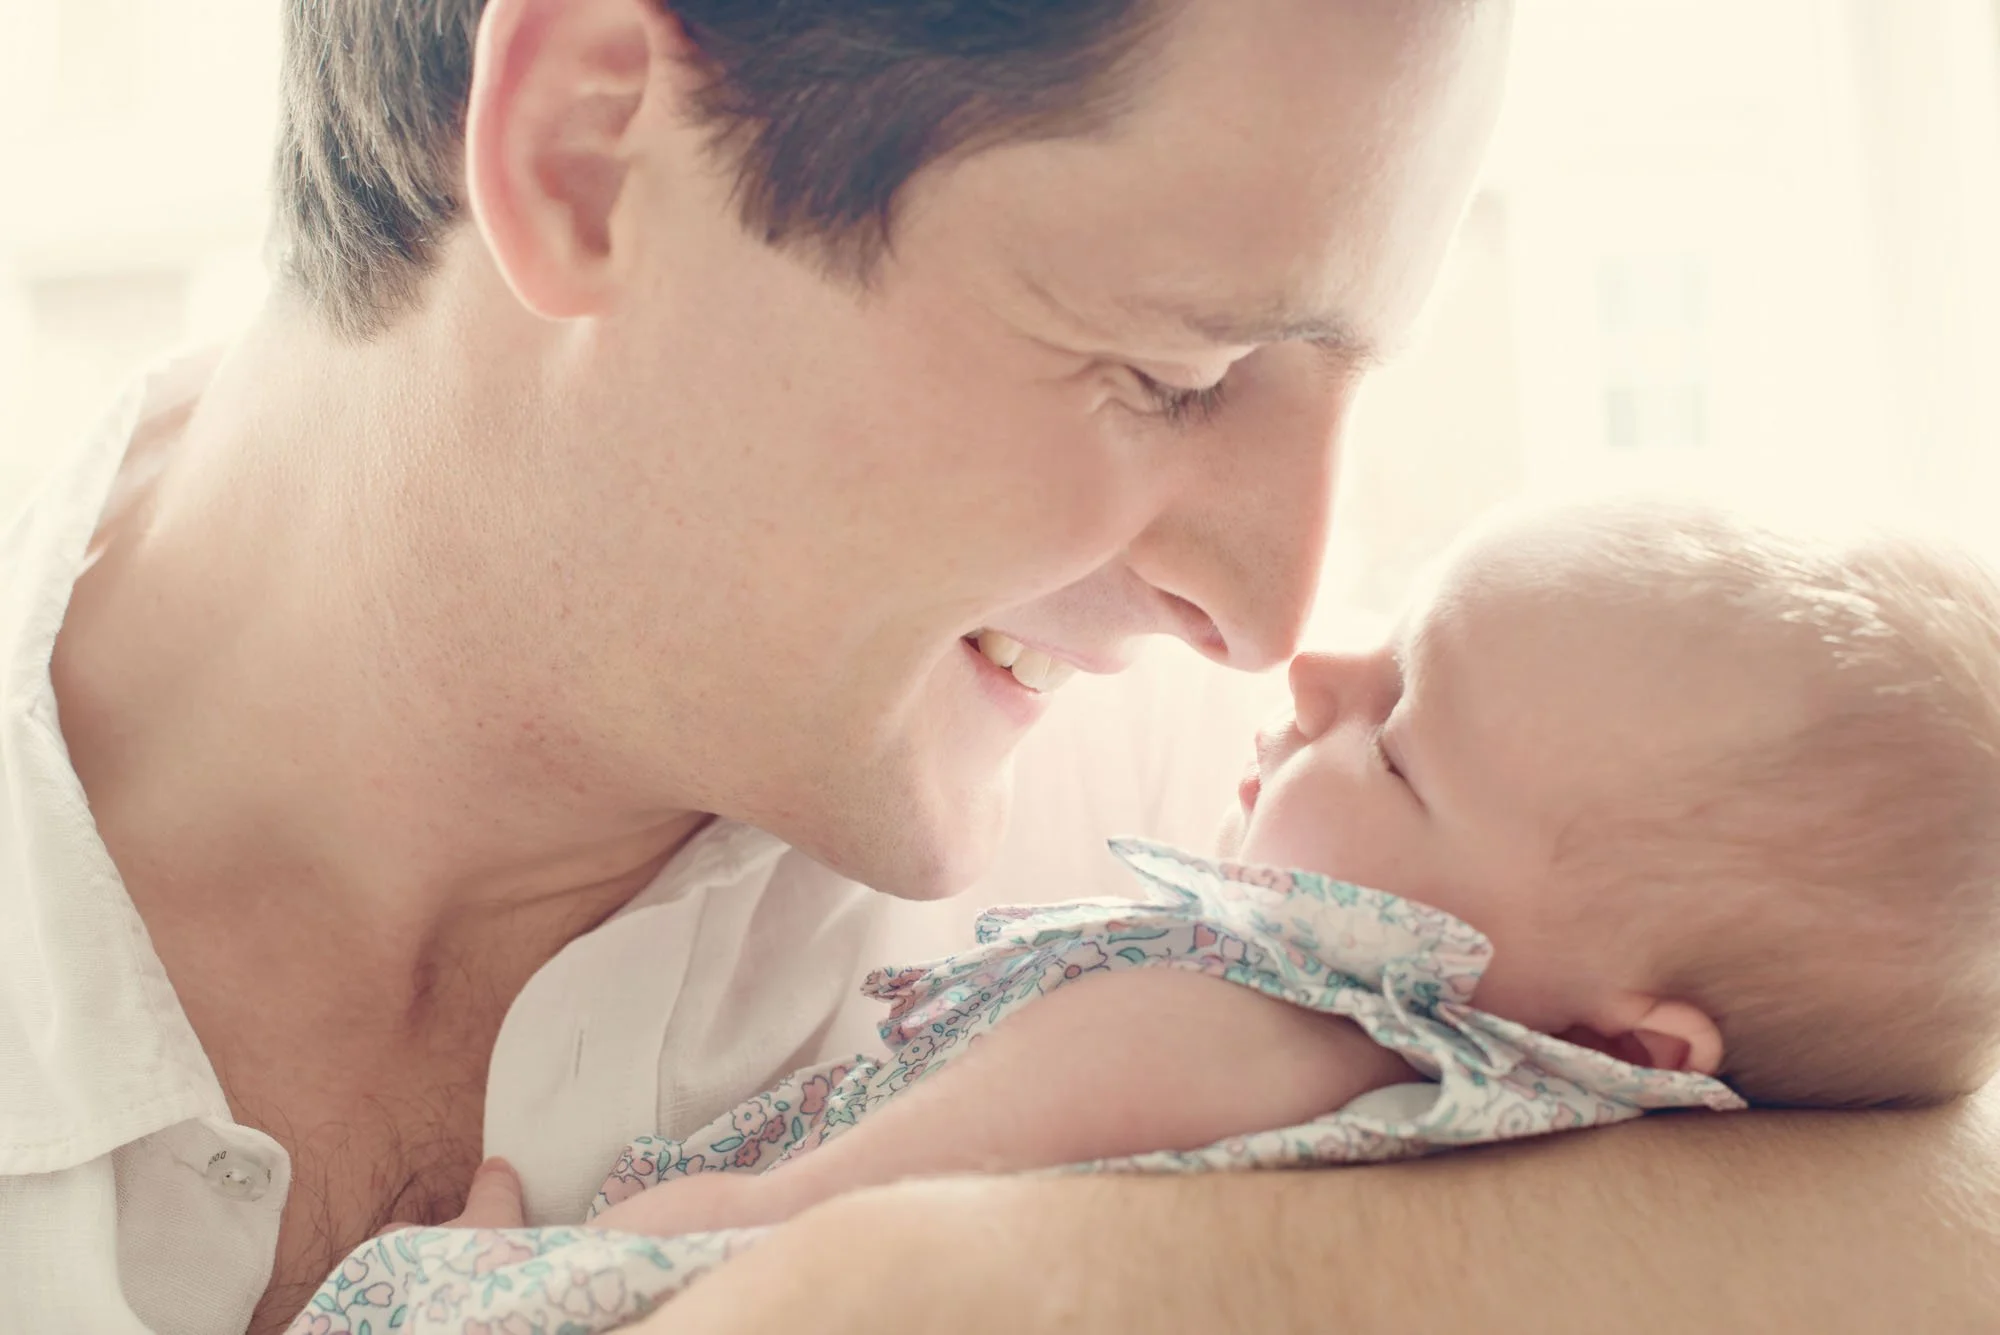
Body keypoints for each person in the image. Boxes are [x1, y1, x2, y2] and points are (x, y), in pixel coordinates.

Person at [0, 1, 1990, 1333]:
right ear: (599, 149)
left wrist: (977, 1277)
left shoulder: (1247, 826)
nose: (1274, 621)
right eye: (1171, 372)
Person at [284, 499, 2000, 1332]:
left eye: (1394, 738)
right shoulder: (1529, 1102)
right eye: (1397, 624)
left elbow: (835, 1213)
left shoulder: (1253, 1018)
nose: (1306, 658)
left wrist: (572, 1255)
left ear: (1633, 1042)